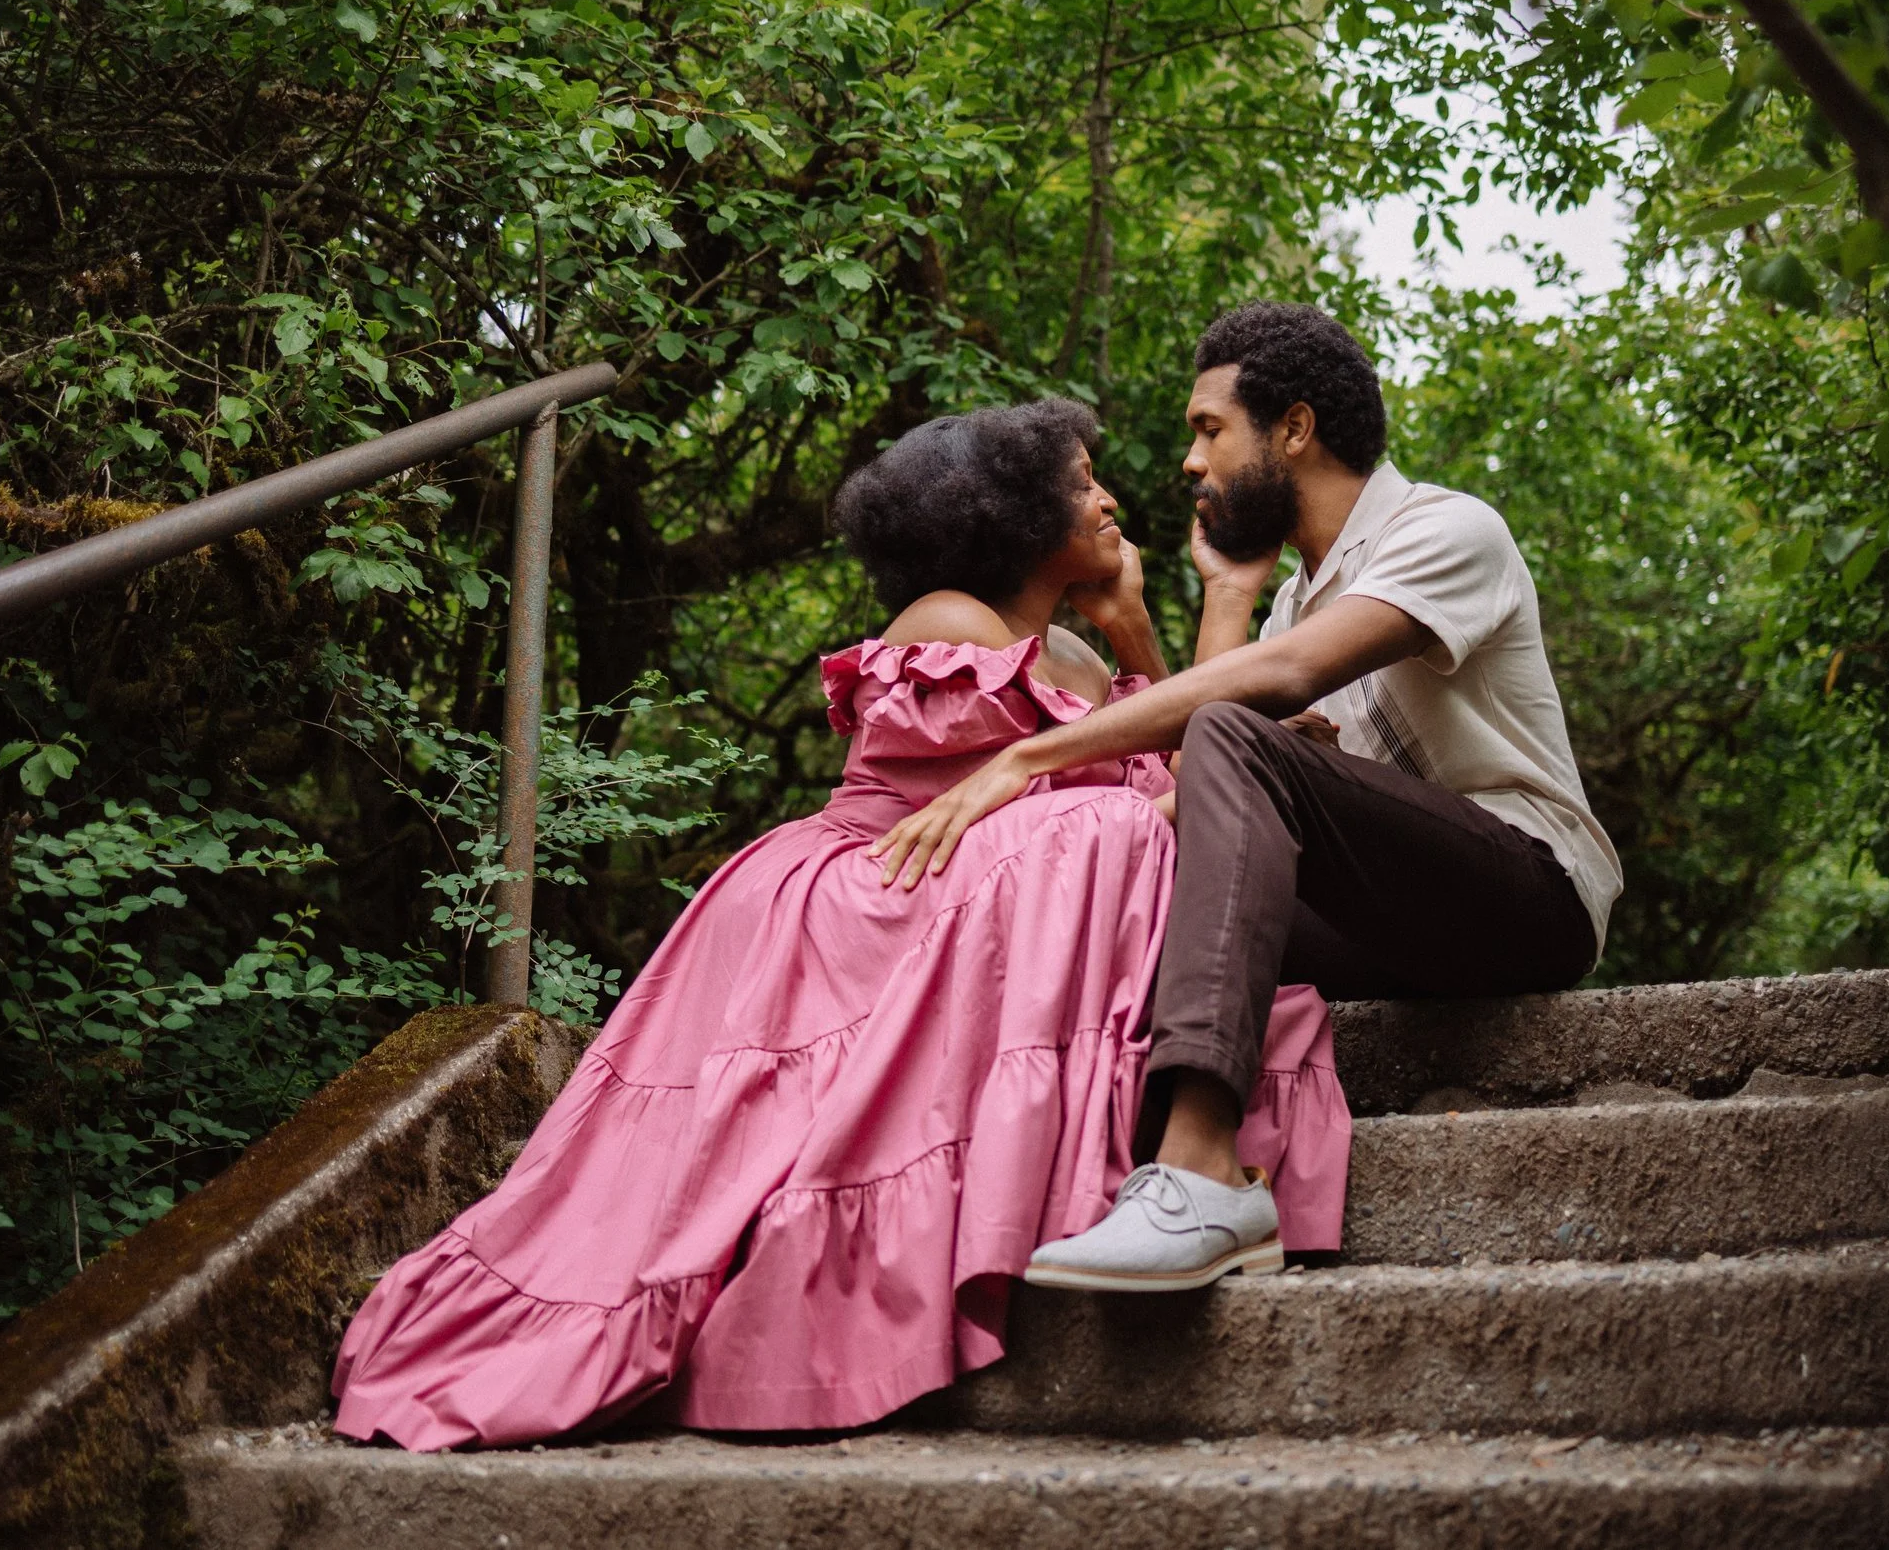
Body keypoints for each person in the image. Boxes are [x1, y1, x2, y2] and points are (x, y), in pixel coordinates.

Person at [329, 398, 1349, 1450]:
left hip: (975, 898)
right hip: (867, 897)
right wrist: (1244, 754)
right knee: (1097, 827)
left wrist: (1138, 637)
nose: (1111, 499)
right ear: (1005, 510)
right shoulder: (948, 622)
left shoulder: (1081, 663)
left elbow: (1163, 795)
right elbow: (1058, 827)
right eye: (1083, 480)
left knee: (1135, 844)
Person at [876, 303, 1621, 1292]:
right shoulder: (1288, 598)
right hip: (1392, 926)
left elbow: (1263, 693)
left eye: (1208, 428)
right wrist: (1223, 596)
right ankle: (1024, 1180)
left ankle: (1203, 1171)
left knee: (1235, 729)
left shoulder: (1444, 529)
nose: (1190, 461)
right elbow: (1198, 796)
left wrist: (1028, 758)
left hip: (1531, 894)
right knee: (1149, 880)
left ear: (1295, 429)